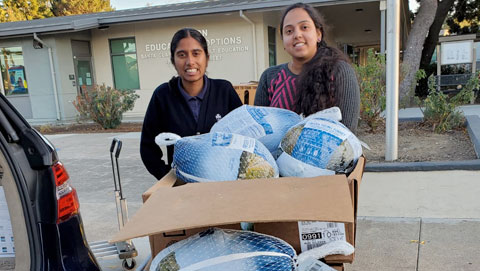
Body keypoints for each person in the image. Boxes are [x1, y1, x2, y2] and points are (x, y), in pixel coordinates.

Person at [140, 28, 243, 180]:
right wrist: (169, 177)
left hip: (224, 183)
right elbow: (147, 147)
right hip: (182, 190)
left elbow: (244, 136)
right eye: (182, 55)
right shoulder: (162, 96)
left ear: (207, 58)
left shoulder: (224, 91)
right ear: (173, 61)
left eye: (196, 53)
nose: (190, 61)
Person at [254, 3, 360, 133]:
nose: (297, 35)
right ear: (283, 41)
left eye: (304, 27)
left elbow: (347, 134)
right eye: (289, 31)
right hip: (275, 153)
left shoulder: (339, 71)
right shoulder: (270, 77)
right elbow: (260, 130)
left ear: (318, 34)